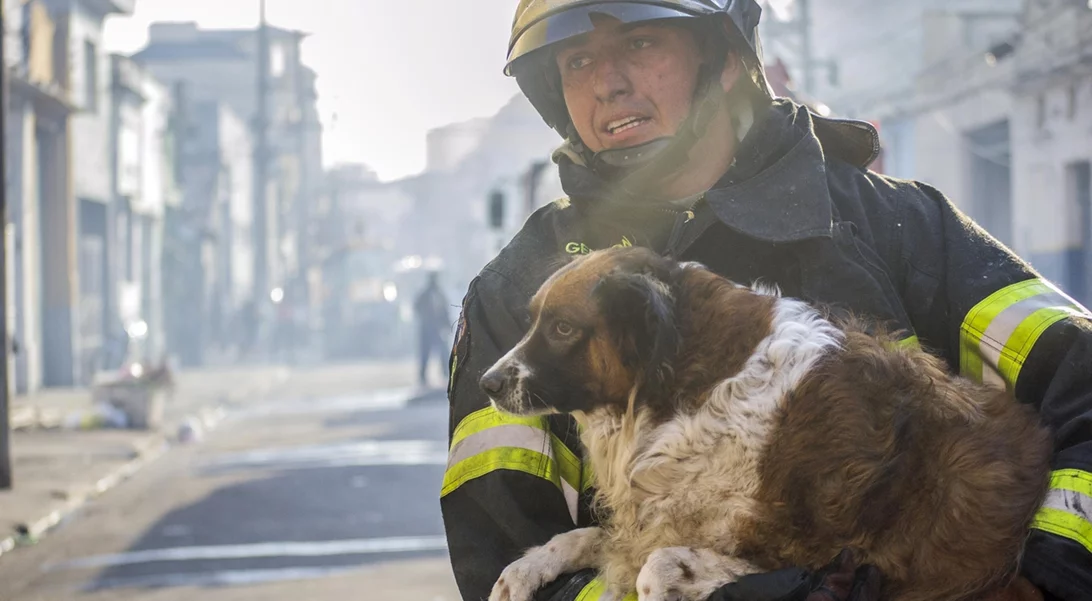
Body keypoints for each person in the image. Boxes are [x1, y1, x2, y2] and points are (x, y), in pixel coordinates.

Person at [441, 2, 1092, 601]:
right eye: (577, 59)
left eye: (639, 41)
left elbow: (1083, 384)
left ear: (723, 58)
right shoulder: (522, 286)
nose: (606, 81)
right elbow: (504, 559)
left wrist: (1048, 576)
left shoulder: (895, 224)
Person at [414, 271, 451, 388]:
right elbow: (417, 307)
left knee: (443, 352)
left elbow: (444, 311)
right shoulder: (424, 295)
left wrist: (447, 324)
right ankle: (422, 378)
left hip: (437, 329)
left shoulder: (439, 294)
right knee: (425, 354)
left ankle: (446, 374)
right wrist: (426, 319)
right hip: (427, 329)